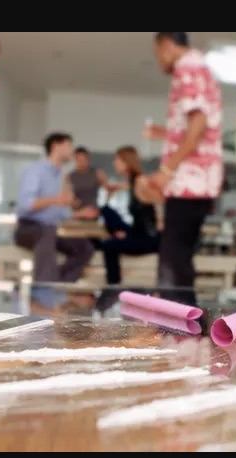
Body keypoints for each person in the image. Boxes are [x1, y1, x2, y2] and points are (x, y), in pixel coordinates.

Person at [136, 32, 224, 289]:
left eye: (158, 54)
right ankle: (185, 314)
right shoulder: (201, 68)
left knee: (172, 265)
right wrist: (162, 133)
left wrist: (166, 170)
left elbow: (198, 125)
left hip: (189, 180)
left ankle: (179, 316)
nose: (160, 61)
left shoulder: (188, 67)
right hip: (198, 181)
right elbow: (196, 128)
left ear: (166, 46)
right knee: (179, 261)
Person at [14, 133, 98, 282]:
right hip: (28, 228)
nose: (71, 150)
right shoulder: (36, 170)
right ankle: (46, 284)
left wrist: (81, 213)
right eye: (68, 145)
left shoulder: (59, 175)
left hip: (50, 229)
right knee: (46, 234)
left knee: (85, 248)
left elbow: (60, 213)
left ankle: (56, 283)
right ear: (55, 146)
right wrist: (56, 200)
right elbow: (25, 206)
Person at [96, 146, 160, 285]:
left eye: (117, 160)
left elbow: (158, 203)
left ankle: (113, 287)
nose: (114, 163)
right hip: (136, 232)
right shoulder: (132, 182)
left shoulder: (141, 181)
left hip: (147, 238)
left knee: (109, 245)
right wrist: (113, 191)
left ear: (126, 161)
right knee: (106, 211)